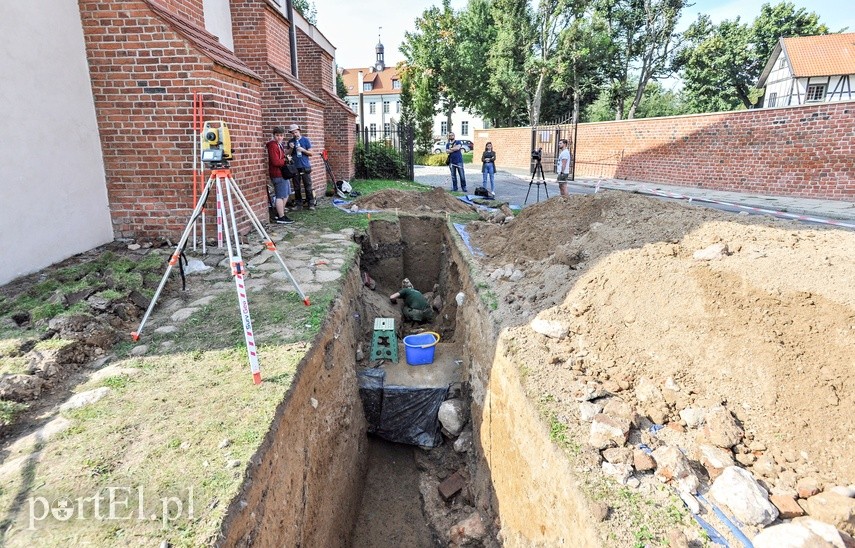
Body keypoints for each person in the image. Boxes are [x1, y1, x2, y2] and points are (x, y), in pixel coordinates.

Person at [265, 126, 295, 224]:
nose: (279, 137)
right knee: (280, 196)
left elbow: (281, 157)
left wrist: (286, 156)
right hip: (277, 174)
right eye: (277, 135)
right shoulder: (273, 145)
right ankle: (281, 216)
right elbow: (276, 162)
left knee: (286, 194)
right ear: (274, 135)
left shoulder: (279, 145)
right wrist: (286, 160)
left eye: (281, 135)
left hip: (283, 173)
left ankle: (280, 213)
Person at [287, 123, 315, 210]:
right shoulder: (291, 142)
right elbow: (287, 155)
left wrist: (303, 150)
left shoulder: (306, 140)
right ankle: (299, 204)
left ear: (299, 131)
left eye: (295, 132)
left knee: (308, 185)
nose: (294, 134)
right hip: (295, 167)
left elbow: (311, 153)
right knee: (296, 186)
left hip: (305, 166)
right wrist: (291, 148)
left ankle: (311, 204)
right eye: (292, 133)